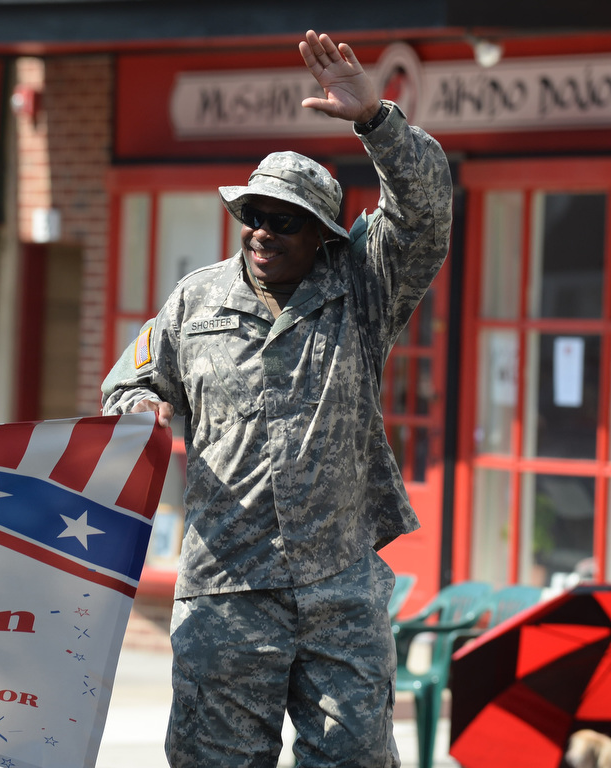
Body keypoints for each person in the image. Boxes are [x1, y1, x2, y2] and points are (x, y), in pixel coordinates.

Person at [101, 30, 453, 768]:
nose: (261, 232)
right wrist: (136, 405)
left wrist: (375, 121)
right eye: (252, 214)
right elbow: (126, 379)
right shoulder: (195, 301)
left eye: (284, 220)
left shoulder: (362, 286)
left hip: (339, 590)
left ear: (324, 237)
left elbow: (425, 214)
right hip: (226, 588)